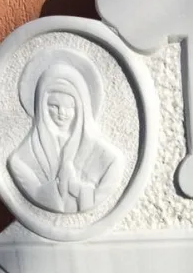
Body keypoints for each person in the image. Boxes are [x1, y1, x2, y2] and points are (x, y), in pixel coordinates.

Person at [8, 61, 123, 213]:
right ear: (41, 107)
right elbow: (36, 192)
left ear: (81, 109)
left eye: (69, 107)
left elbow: (99, 193)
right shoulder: (21, 160)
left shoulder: (108, 159)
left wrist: (79, 190)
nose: (62, 113)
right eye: (54, 106)